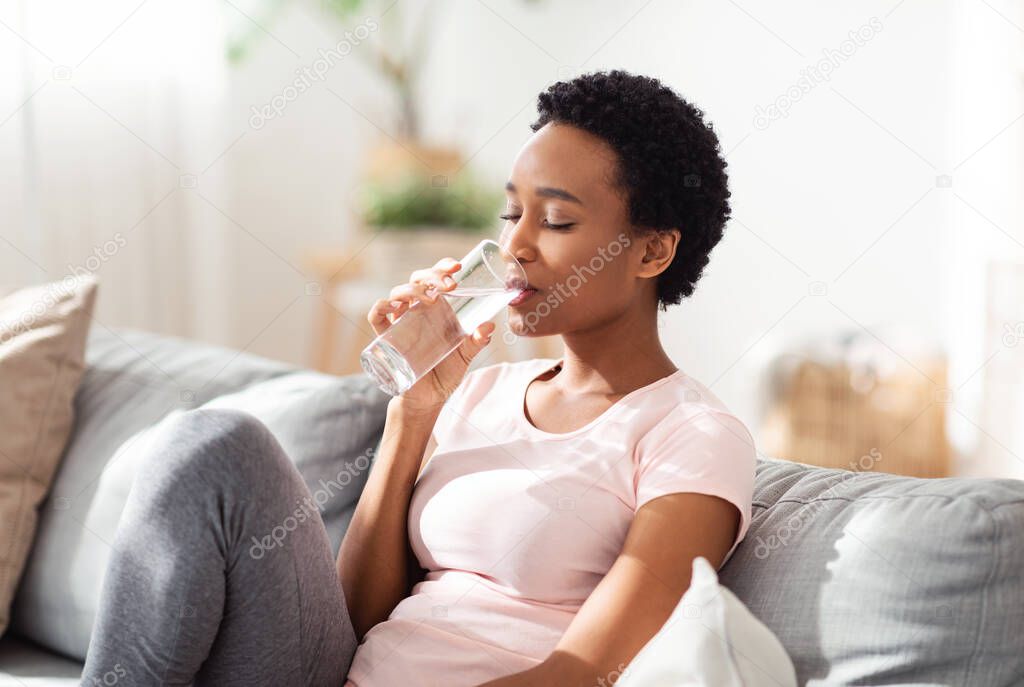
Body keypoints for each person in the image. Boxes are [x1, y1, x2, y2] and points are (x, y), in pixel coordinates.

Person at [80, 69, 756, 687]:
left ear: (652, 250)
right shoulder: (483, 392)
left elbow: (579, 675)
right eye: (510, 213)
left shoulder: (692, 434)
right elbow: (356, 619)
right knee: (209, 447)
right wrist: (413, 414)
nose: (516, 245)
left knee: (220, 443)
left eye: (554, 220)